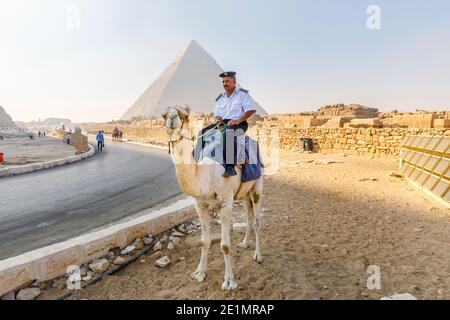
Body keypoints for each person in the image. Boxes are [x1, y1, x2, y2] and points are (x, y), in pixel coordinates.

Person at [194, 71, 256, 177]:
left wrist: (239, 120)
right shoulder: (220, 98)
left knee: (228, 134)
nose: (224, 83)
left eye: (227, 81)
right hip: (223, 123)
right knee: (202, 133)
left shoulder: (242, 95)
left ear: (234, 82)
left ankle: (230, 167)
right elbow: (217, 114)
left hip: (239, 123)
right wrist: (217, 118)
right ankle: (195, 161)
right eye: (223, 81)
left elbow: (251, 110)